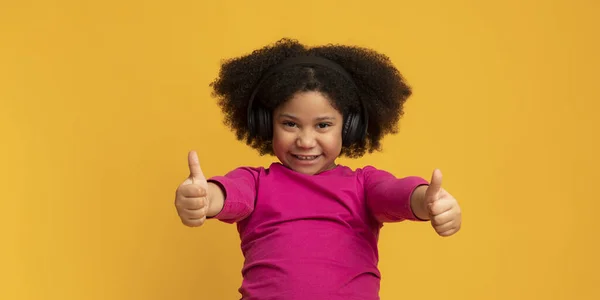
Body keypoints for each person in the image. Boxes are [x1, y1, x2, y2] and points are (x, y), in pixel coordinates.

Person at [174, 38, 462, 300]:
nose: (305, 140)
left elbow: (396, 193)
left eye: (323, 125)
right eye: (290, 124)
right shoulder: (256, 182)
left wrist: (427, 201)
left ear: (348, 128)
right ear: (266, 124)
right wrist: (203, 198)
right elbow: (227, 195)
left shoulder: (363, 185)